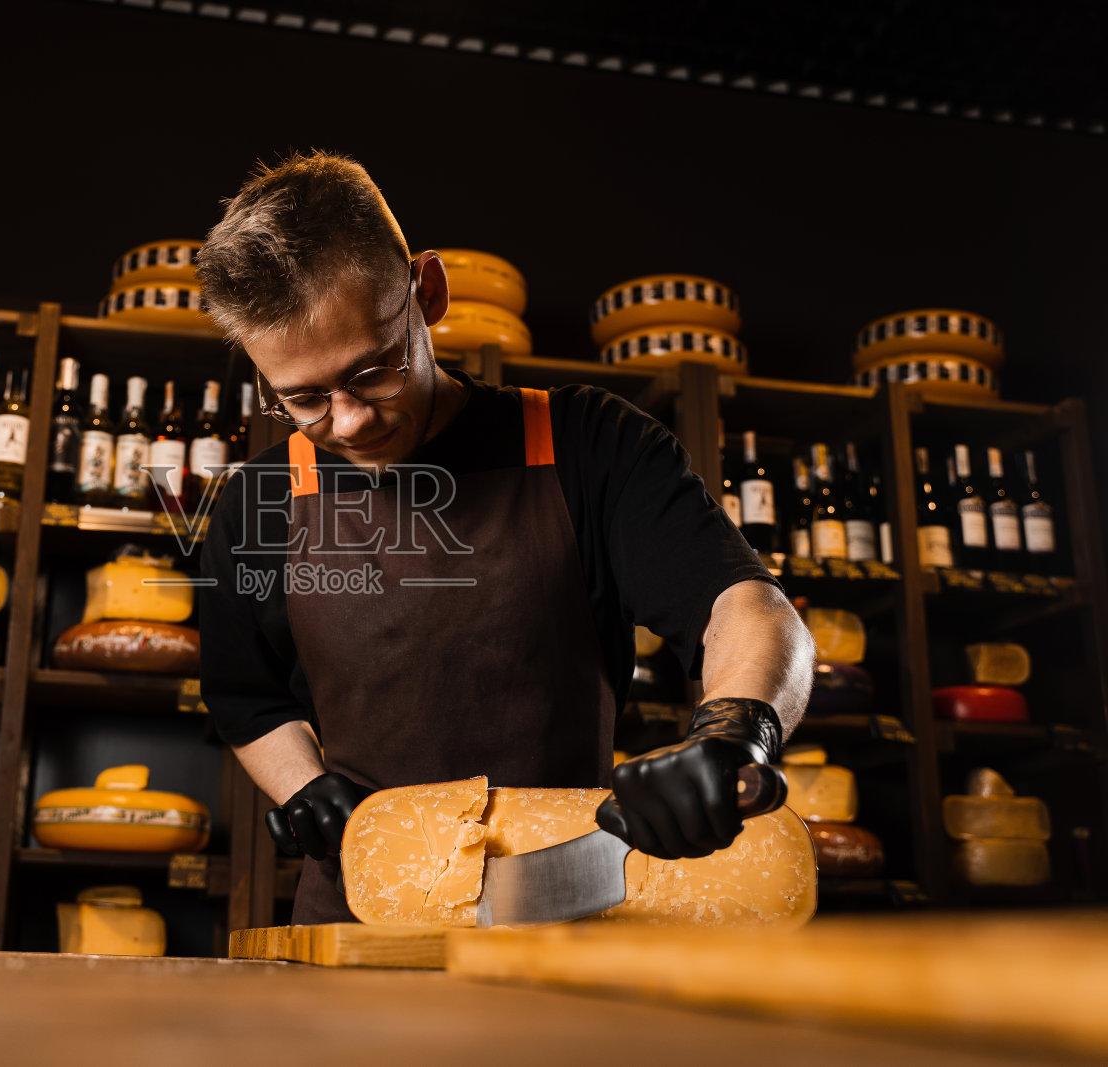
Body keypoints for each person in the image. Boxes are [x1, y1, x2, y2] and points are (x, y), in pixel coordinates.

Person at [194, 151, 815, 925]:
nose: (348, 421)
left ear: (427, 292)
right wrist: (304, 787)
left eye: (373, 371)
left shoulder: (589, 444)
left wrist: (736, 729)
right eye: (304, 398)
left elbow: (744, 605)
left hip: (571, 905)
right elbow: (244, 694)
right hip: (361, 917)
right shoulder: (261, 498)